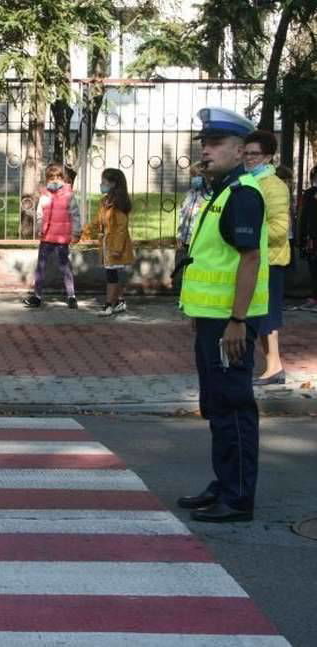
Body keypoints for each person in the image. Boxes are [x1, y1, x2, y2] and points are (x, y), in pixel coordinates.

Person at [176, 107, 268, 523]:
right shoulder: (219, 194)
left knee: (233, 405)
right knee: (216, 404)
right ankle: (225, 482)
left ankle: (238, 497)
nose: (206, 150)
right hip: (213, 320)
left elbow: (250, 260)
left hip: (231, 324)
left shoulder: (243, 195)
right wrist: (201, 314)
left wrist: (237, 320)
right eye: (204, 144)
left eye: (215, 144)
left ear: (239, 151)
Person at [242, 130, 290, 386]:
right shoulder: (249, 181)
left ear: (269, 157)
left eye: (255, 154)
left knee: (267, 317)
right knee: (260, 316)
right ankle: (273, 366)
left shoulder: (274, 186)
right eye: (246, 153)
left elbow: (280, 228)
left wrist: (249, 233)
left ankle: (274, 367)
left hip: (270, 260)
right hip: (255, 258)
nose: (248, 158)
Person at [23, 163, 81, 309]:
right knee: (41, 267)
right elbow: (39, 215)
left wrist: (76, 233)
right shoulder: (44, 196)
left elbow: (75, 216)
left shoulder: (69, 195)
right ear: (47, 179)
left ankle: (71, 296)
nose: (55, 180)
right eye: (51, 178)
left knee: (65, 266)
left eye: (58, 177)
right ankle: (37, 296)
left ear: (63, 178)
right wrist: (38, 228)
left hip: (62, 238)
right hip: (47, 237)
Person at [96, 168, 135, 316]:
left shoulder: (118, 204)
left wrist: (117, 247)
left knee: (111, 275)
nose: (101, 185)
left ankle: (108, 305)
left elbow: (121, 228)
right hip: (107, 243)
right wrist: (85, 233)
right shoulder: (105, 201)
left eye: (104, 182)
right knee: (112, 274)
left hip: (115, 245)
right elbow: (98, 221)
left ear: (113, 184)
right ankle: (119, 301)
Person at [178, 163, 211, 250]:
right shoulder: (189, 195)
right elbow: (182, 215)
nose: (196, 179)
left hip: (199, 242)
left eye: (199, 175)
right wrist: (180, 236)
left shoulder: (209, 196)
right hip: (185, 241)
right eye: (193, 176)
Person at [296, 167, 317, 309]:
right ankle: (314, 296)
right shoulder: (309, 194)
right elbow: (303, 217)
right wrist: (302, 236)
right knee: (313, 267)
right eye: (314, 176)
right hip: (312, 238)